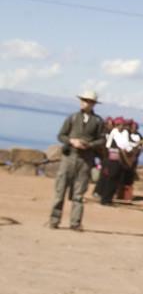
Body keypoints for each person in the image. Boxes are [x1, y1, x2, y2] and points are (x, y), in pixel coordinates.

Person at [50, 90, 106, 231]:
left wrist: (89, 145)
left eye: (87, 100)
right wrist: (71, 141)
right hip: (69, 158)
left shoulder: (98, 121)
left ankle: (75, 223)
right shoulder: (72, 118)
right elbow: (61, 135)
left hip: (85, 160)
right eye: (82, 100)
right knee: (60, 191)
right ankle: (54, 220)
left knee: (79, 193)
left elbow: (102, 140)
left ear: (93, 104)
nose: (84, 102)